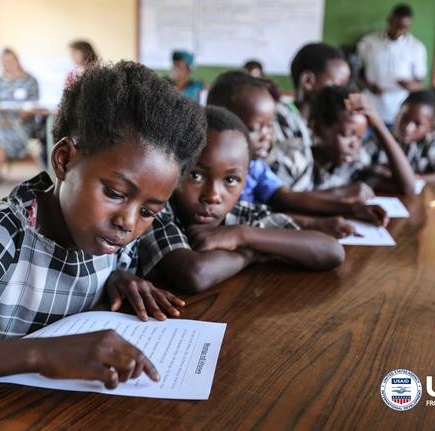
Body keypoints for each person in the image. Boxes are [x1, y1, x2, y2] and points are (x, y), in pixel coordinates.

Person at [0, 61, 207, 391]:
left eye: (148, 211)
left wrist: (120, 277)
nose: (127, 222)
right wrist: (39, 354)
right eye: (114, 193)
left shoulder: (102, 237)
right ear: (65, 160)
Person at [139, 106, 344, 293]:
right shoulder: (156, 212)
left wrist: (243, 235)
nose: (212, 196)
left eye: (230, 180)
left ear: (245, 181)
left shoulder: (240, 216)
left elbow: (331, 251)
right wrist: (252, 254)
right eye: (196, 175)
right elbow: (195, 274)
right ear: (174, 170)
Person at [206, 71, 389, 238]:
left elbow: (286, 197)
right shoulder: (211, 170)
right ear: (223, 121)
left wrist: (353, 209)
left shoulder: (255, 166)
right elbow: (236, 217)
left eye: (269, 126)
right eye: (255, 128)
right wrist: (313, 223)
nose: (267, 136)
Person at [270, 43, 352, 193]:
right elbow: (289, 189)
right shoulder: (280, 117)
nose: (342, 95)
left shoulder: (326, 123)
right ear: (308, 81)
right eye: (336, 85)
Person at [309, 86, 418, 193]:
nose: (354, 145)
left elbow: (408, 187)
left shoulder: (354, 166)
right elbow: (292, 199)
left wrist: (378, 124)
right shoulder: (299, 159)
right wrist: (341, 195)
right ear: (317, 129)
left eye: (360, 138)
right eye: (346, 135)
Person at [0, 48, 40, 185]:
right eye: (4, 62)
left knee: (2, 133)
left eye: (11, 60)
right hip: (0, 118)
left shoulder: (29, 80)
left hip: (21, 121)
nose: (8, 64)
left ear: (17, 60)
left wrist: (11, 121)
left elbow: (32, 107)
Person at [358, 4, 427, 126]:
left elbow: (420, 84)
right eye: (397, 25)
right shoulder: (368, 42)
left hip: (398, 110)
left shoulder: (416, 48)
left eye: (404, 27)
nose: (399, 30)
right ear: (389, 20)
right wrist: (369, 86)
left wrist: (409, 85)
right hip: (371, 105)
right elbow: (358, 73)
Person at [393, 90, 435, 182]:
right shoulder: (384, 137)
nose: (408, 128)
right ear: (397, 114)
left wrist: (415, 179)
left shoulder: (430, 142)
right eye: (404, 118)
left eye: (418, 124)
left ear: (430, 128)